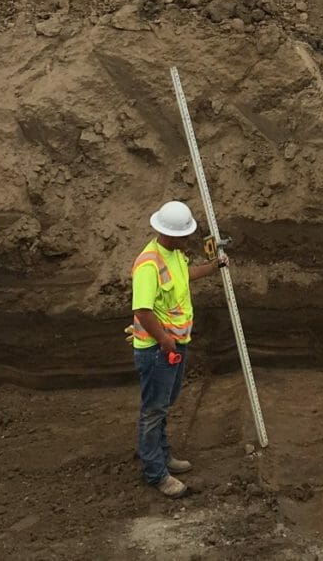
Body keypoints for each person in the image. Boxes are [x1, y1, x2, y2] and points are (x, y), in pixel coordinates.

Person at [130, 200, 227, 497]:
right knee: (154, 409)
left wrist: (213, 267)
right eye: (183, 235)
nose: (187, 240)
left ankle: (162, 454)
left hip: (175, 344)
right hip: (157, 349)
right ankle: (156, 472)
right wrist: (164, 340)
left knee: (164, 403)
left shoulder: (173, 254)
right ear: (169, 234)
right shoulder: (148, 264)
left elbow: (184, 275)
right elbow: (143, 310)